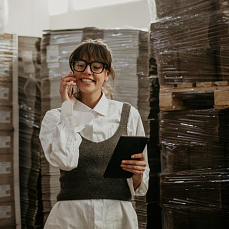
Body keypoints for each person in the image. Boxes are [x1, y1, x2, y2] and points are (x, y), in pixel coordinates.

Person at [39, 39, 149, 228]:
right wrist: (67, 107)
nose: (87, 71)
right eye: (80, 65)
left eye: (96, 66)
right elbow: (66, 161)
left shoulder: (128, 114)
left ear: (107, 74)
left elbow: (141, 186)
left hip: (116, 217)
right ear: (73, 71)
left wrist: (137, 174)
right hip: (70, 218)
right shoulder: (55, 117)